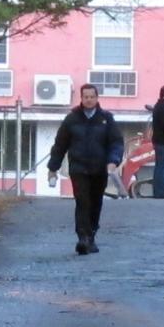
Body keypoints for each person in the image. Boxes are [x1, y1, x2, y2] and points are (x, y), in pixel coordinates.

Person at [48, 84, 124, 255]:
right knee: (82, 202)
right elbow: (60, 145)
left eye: (92, 96)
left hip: (100, 169)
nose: (89, 99)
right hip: (78, 168)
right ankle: (83, 237)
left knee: (95, 202)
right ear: (81, 98)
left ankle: (91, 236)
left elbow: (116, 143)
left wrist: (113, 161)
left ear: (97, 98)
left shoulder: (106, 118)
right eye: (85, 97)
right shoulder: (72, 119)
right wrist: (53, 168)